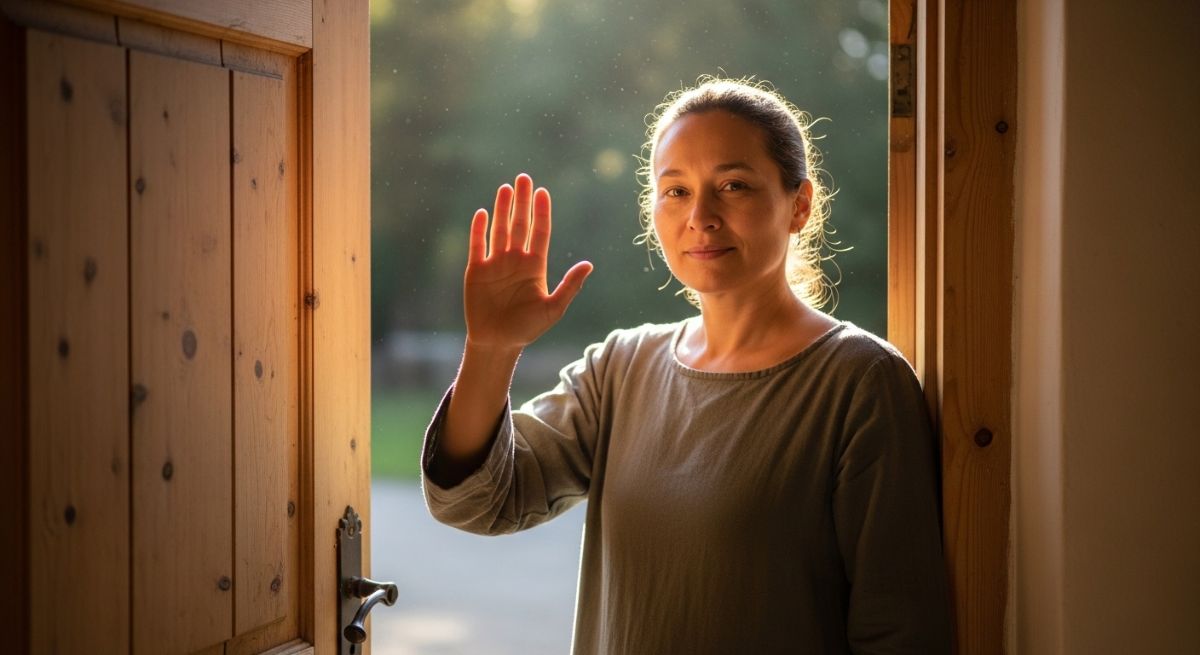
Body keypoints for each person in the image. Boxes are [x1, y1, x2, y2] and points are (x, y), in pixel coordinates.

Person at [419, 77, 951, 654]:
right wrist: (493, 350)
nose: (701, 215)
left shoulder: (860, 381)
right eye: (676, 191)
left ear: (799, 205)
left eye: (734, 185)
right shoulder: (621, 368)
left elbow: (899, 633)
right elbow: (477, 501)